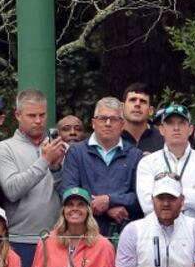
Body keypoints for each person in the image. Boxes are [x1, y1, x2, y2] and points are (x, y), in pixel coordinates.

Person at [0, 89, 64, 267]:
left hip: (56, 239)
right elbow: (12, 190)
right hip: (20, 239)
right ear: (18, 115)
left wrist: (57, 168)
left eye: (42, 115)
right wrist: (44, 161)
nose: (39, 121)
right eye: (32, 115)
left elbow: (69, 195)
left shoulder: (59, 147)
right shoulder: (4, 148)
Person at [60, 97, 143, 236]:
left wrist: (109, 200)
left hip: (124, 234)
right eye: (103, 118)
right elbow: (69, 191)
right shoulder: (76, 153)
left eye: (114, 119)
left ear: (122, 124)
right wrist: (107, 207)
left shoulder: (135, 156)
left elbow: (140, 197)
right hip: (84, 234)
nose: (108, 123)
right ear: (93, 123)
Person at [135, 104, 195, 222]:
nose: (176, 128)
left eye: (182, 123)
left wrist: (162, 193)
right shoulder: (147, 163)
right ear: (162, 129)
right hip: (157, 231)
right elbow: (147, 204)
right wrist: (190, 194)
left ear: (190, 129)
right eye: (170, 123)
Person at [120, 83, 164, 153]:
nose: (137, 104)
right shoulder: (112, 137)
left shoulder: (163, 140)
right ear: (122, 107)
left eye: (143, 101)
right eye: (132, 100)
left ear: (151, 111)